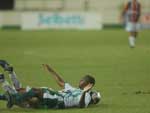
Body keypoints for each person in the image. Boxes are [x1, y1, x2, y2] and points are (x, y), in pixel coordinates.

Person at [0, 60, 101, 109]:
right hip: (54, 96)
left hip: (58, 100)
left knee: (33, 93)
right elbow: (61, 82)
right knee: (24, 99)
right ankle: (5, 81)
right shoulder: (74, 89)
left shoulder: (86, 95)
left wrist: (84, 92)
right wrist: (51, 71)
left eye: (83, 80)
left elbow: (81, 105)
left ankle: (8, 83)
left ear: (89, 84)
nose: (80, 81)